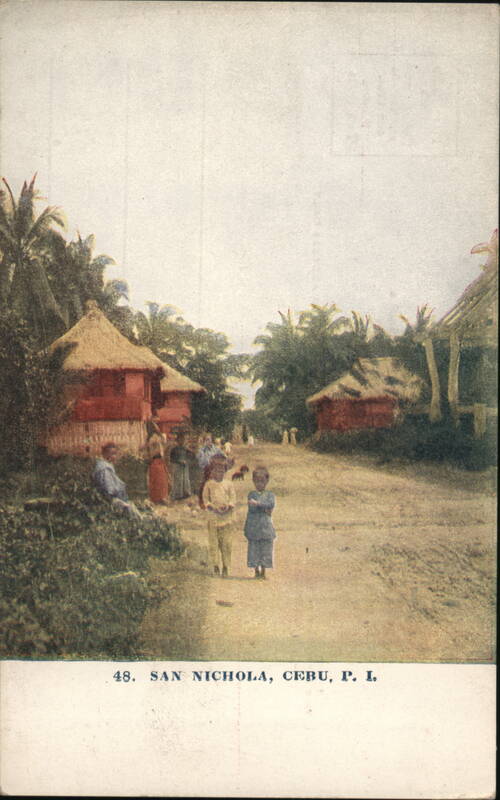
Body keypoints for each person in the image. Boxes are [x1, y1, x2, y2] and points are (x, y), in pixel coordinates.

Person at [202, 458, 236, 578]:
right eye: (216, 471)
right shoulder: (209, 485)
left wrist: (228, 506)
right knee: (214, 543)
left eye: (221, 471)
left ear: (225, 471)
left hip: (226, 518)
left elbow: (232, 499)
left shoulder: (228, 484)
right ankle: (215, 565)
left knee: (226, 543)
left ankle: (226, 566)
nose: (219, 473)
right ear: (212, 472)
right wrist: (212, 507)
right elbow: (205, 500)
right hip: (213, 518)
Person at [93, 442, 142, 519]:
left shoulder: (106, 466)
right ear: (105, 454)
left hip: (114, 497)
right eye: (112, 454)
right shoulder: (104, 469)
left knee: (134, 509)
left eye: (115, 454)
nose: (114, 457)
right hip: (109, 500)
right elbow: (109, 489)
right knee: (130, 511)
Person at [244, 466, 276, 580]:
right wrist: (263, 507)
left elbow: (271, 505)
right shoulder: (251, 494)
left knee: (266, 549)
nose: (259, 484)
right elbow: (253, 508)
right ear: (253, 481)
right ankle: (256, 571)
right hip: (254, 527)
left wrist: (258, 504)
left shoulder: (270, 494)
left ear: (266, 481)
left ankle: (263, 571)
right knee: (254, 549)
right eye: (257, 481)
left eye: (262, 481)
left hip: (266, 527)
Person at [144, 419, 170, 505]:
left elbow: (154, 450)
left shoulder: (153, 438)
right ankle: (160, 497)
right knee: (159, 479)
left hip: (156, 460)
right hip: (157, 460)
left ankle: (158, 497)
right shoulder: (155, 437)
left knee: (157, 480)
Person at [169, 431, 192, 500]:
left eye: (183, 440)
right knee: (178, 480)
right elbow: (172, 459)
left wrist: (186, 461)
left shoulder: (185, 449)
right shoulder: (174, 449)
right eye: (180, 440)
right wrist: (179, 461)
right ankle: (177, 495)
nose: (182, 441)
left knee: (185, 479)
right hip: (177, 466)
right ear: (177, 440)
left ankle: (185, 493)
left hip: (184, 466)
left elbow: (190, 456)